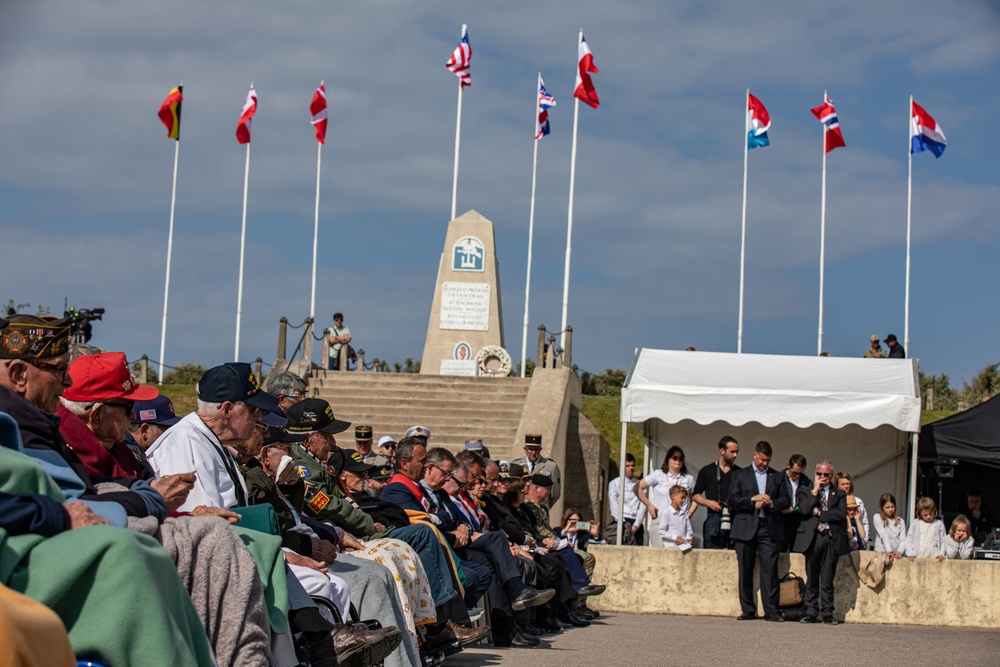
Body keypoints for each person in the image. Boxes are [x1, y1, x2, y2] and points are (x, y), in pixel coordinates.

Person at [727, 441, 790, 622]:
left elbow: (785, 500)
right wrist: (753, 500)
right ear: (755, 455)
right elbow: (732, 499)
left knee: (769, 570)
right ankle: (747, 609)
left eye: (767, 461)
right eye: (762, 460)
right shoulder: (740, 475)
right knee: (745, 569)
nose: (764, 463)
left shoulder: (777, 476)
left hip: (768, 527)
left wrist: (770, 502)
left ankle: (771, 610)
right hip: (745, 527)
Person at [794, 460, 848, 625]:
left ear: (831, 475)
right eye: (819, 474)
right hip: (813, 538)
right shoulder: (805, 491)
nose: (822, 477)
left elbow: (840, 514)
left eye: (826, 474)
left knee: (827, 577)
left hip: (830, 538)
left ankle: (827, 612)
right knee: (812, 576)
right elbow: (804, 510)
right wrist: (815, 490)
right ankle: (810, 611)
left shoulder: (839, 494)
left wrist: (819, 513)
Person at [635, 446, 695, 546]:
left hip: (679, 522)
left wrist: (690, 513)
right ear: (668, 459)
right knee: (659, 556)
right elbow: (637, 488)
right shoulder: (659, 474)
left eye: (680, 459)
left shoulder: (688, 478)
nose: (678, 461)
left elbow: (695, 498)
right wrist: (649, 505)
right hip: (660, 519)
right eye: (675, 458)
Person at [692, 436, 740, 550]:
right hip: (713, 520)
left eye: (737, 452)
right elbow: (695, 495)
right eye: (732, 452)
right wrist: (709, 503)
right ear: (722, 451)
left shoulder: (740, 473)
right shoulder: (706, 471)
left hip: (734, 520)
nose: (735, 455)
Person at [607, 452, 646, 545]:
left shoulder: (640, 484)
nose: (630, 468)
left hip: (636, 522)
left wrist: (636, 525)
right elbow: (614, 505)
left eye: (632, 465)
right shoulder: (614, 483)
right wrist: (623, 525)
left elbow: (643, 506)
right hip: (621, 522)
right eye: (627, 465)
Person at [512, 434, 561, 506]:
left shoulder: (551, 466)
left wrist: (545, 505)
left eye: (536, 450)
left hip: (541, 508)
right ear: (525, 449)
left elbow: (555, 494)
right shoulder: (516, 465)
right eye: (530, 449)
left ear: (540, 449)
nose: (533, 453)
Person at [779, 454, 809, 552]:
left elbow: (807, 503)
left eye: (800, 474)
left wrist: (795, 509)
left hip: (798, 521)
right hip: (781, 522)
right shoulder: (778, 478)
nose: (797, 476)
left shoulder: (806, 482)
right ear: (788, 465)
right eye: (794, 473)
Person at [834, 471, 869, 545]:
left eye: (847, 483)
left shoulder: (858, 501)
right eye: (843, 484)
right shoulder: (834, 501)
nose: (846, 486)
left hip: (858, 542)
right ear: (837, 486)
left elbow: (864, 521)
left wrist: (864, 541)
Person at [872, 492, 906, 559]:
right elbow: (883, 535)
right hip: (882, 554)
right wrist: (889, 551)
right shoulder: (877, 517)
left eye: (892, 507)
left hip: (896, 555)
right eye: (887, 507)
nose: (890, 509)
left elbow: (903, 539)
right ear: (882, 508)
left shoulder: (900, 521)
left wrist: (899, 551)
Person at [659, 485, 693, 551]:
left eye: (685, 498)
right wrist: (675, 538)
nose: (683, 500)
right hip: (670, 548)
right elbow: (661, 531)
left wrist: (688, 539)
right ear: (673, 496)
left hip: (684, 548)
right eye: (682, 497)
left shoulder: (684, 513)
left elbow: (689, 530)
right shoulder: (666, 512)